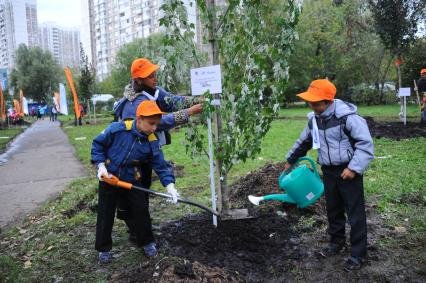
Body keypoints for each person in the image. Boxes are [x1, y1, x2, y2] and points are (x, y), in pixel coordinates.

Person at [284, 79, 374, 271]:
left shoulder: (347, 117)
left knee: (355, 212)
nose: (312, 105)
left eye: (316, 102)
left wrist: (353, 168)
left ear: (328, 101)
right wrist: (290, 160)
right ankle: (336, 242)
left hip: (348, 170)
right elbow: (304, 142)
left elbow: (365, 144)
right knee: (333, 209)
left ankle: (358, 253)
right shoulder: (314, 120)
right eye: (310, 102)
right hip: (328, 170)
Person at [113, 58, 203, 241]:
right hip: (131, 155)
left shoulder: (154, 92)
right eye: (150, 76)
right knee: (135, 190)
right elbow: (159, 122)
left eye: (154, 74)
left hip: (147, 151)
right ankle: (135, 228)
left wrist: (197, 100)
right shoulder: (134, 103)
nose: (155, 78)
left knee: (143, 186)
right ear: (138, 80)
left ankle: (140, 223)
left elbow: (172, 101)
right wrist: (189, 112)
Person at [91, 100, 180, 263]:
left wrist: (170, 185)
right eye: (151, 123)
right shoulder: (117, 129)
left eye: (157, 124)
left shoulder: (152, 140)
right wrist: (101, 166)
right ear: (139, 119)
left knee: (141, 209)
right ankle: (103, 249)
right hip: (109, 177)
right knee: (105, 213)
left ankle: (147, 242)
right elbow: (97, 145)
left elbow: (160, 165)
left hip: (132, 179)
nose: (154, 128)